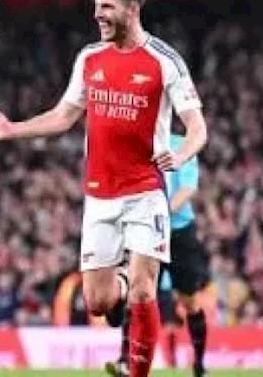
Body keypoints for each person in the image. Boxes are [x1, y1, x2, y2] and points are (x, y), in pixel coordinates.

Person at [0, 0, 207, 377]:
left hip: (145, 191)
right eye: (97, 6)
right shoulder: (90, 58)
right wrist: (12, 130)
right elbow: (63, 115)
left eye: (107, 7)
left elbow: (197, 127)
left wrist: (182, 154)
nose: (98, 14)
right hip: (99, 195)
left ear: (132, 8)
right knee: (98, 301)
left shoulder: (165, 61)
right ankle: (125, 285)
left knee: (146, 289)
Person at [108, 133, 210, 377]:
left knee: (189, 301)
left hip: (179, 233)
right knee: (138, 293)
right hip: (149, 232)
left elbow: (188, 187)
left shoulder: (181, 144)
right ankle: (125, 360)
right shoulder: (139, 142)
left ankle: (199, 364)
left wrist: (160, 212)